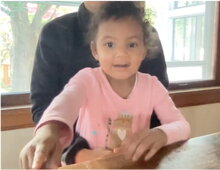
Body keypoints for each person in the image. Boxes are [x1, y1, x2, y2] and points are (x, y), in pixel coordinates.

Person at [20, 2, 190, 169]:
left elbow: (181, 126)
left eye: (132, 44)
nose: (121, 53)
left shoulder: (152, 86)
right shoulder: (86, 80)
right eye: (109, 44)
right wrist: (49, 130)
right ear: (95, 50)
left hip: (131, 165)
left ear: (144, 50)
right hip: (86, 165)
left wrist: (161, 134)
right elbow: (64, 103)